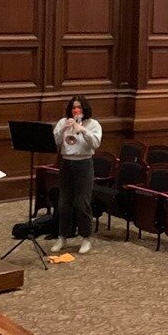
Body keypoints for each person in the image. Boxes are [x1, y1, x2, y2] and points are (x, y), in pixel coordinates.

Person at [49, 95, 103, 255]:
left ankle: (86, 237)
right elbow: (54, 141)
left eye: (79, 107)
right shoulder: (62, 122)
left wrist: (83, 130)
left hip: (84, 163)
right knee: (64, 202)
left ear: (84, 109)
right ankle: (62, 236)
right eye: (73, 108)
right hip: (66, 163)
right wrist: (63, 129)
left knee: (82, 202)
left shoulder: (93, 124)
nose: (76, 110)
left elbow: (95, 144)